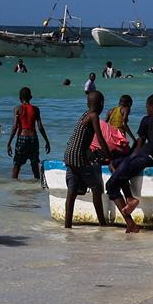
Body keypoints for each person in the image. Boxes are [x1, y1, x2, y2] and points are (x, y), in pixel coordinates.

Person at [105, 93, 153, 229]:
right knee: (114, 164)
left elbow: (139, 145)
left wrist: (130, 158)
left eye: (147, 106)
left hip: (147, 157)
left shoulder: (147, 119)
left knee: (111, 185)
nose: (146, 109)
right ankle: (129, 197)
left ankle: (131, 222)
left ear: (152, 107)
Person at [62, 91, 118, 230]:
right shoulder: (94, 116)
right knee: (96, 188)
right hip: (78, 157)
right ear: (101, 104)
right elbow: (100, 138)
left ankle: (67, 225)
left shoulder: (85, 114)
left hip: (69, 155)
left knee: (72, 192)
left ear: (88, 104)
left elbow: (81, 139)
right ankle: (102, 223)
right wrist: (110, 159)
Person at [6, 87, 50, 179]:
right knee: (34, 164)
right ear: (31, 97)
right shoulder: (36, 109)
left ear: (19, 98)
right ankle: (37, 187)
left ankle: (13, 186)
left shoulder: (17, 109)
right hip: (33, 138)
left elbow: (14, 127)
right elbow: (40, 127)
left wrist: (9, 143)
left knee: (17, 164)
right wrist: (47, 141)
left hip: (22, 138)